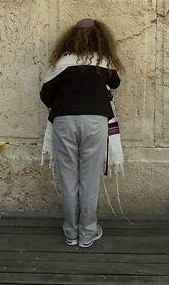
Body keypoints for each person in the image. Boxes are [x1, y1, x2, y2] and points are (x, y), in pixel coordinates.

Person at [40, 18, 123, 248]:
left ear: (71, 38)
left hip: (64, 121)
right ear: (100, 38)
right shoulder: (103, 61)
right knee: (89, 180)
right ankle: (87, 233)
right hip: (95, 121)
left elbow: (45, 95)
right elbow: (115, 83)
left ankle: (71, 233)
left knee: (68, 180)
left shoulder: (61, 62)